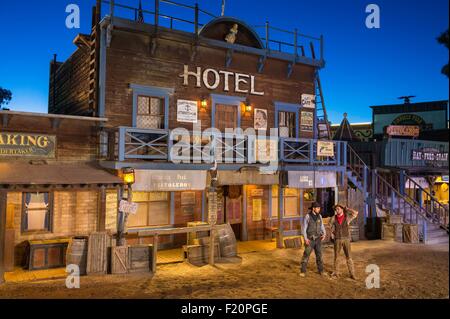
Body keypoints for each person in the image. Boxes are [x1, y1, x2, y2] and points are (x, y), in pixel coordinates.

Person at [330, 204, 358, 280]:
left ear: (342, 209)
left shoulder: (347, 217)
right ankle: (336, 272)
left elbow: (355, 213)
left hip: (346, 239)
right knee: (336, 256)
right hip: (337, 239)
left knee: (349, 256)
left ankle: (352, 273)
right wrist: (332, 233)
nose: (337, 210)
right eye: (336, 209)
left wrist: (347, 209)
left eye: (338, 209)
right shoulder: (333, 218)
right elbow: (330, 227)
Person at [300, 202, 326, 277]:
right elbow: (304, 228)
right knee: (306, 255)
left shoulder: (320, 216)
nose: (319, 209)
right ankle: (303, 271)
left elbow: (322, 226)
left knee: (319, 255)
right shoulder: (307, 216)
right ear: (313, 208)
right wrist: (305, 239)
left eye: (319, 208)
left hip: (318, 239)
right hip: (310, 239)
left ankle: (321, 270)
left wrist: (324, 233)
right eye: (317, 208)